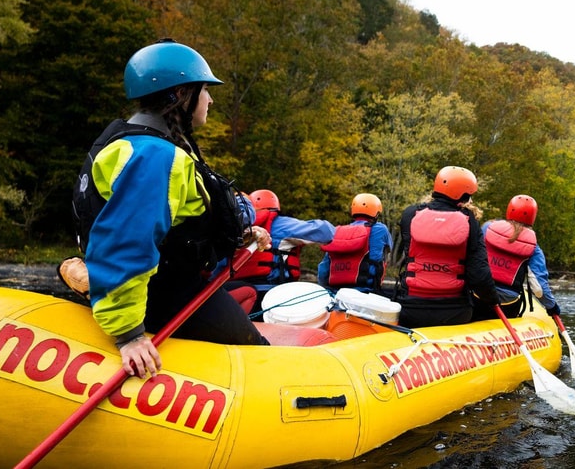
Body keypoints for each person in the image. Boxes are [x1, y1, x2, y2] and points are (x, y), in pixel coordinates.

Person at [72, 39, 271, 379]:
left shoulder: (136, 141)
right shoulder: (154, 156)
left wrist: (241, 235)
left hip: (168, 284)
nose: (210, 100)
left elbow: (179, 223)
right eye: (204, 90)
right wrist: (129, 335)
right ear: (180, 94)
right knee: (259, 355)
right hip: (164, 295)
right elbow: (127, 243)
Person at [393, 166, 501, 328]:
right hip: (454, 312)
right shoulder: (470, 222)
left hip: (411, 308)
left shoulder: (410, 215)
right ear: (463, 196)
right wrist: (493, 300)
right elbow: (479, 275)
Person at [232, 188, 335, 300]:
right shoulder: (281, 224)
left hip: (238, 292)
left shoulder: (237, 229)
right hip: (273, 292)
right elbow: (326, 233)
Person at [475, 194, 562, 320]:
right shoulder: (534, 248)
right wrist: (552, 307)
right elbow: (539, 289)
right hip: (508, 306)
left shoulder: (487, 228)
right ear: (533, 217)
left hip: (477, 299)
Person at [318, 193, 392, 293]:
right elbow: (388, 252)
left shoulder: (338, 231)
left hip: (335, 291)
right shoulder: (380, 229)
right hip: (366, 292)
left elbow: (323, 270)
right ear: (376, 213)